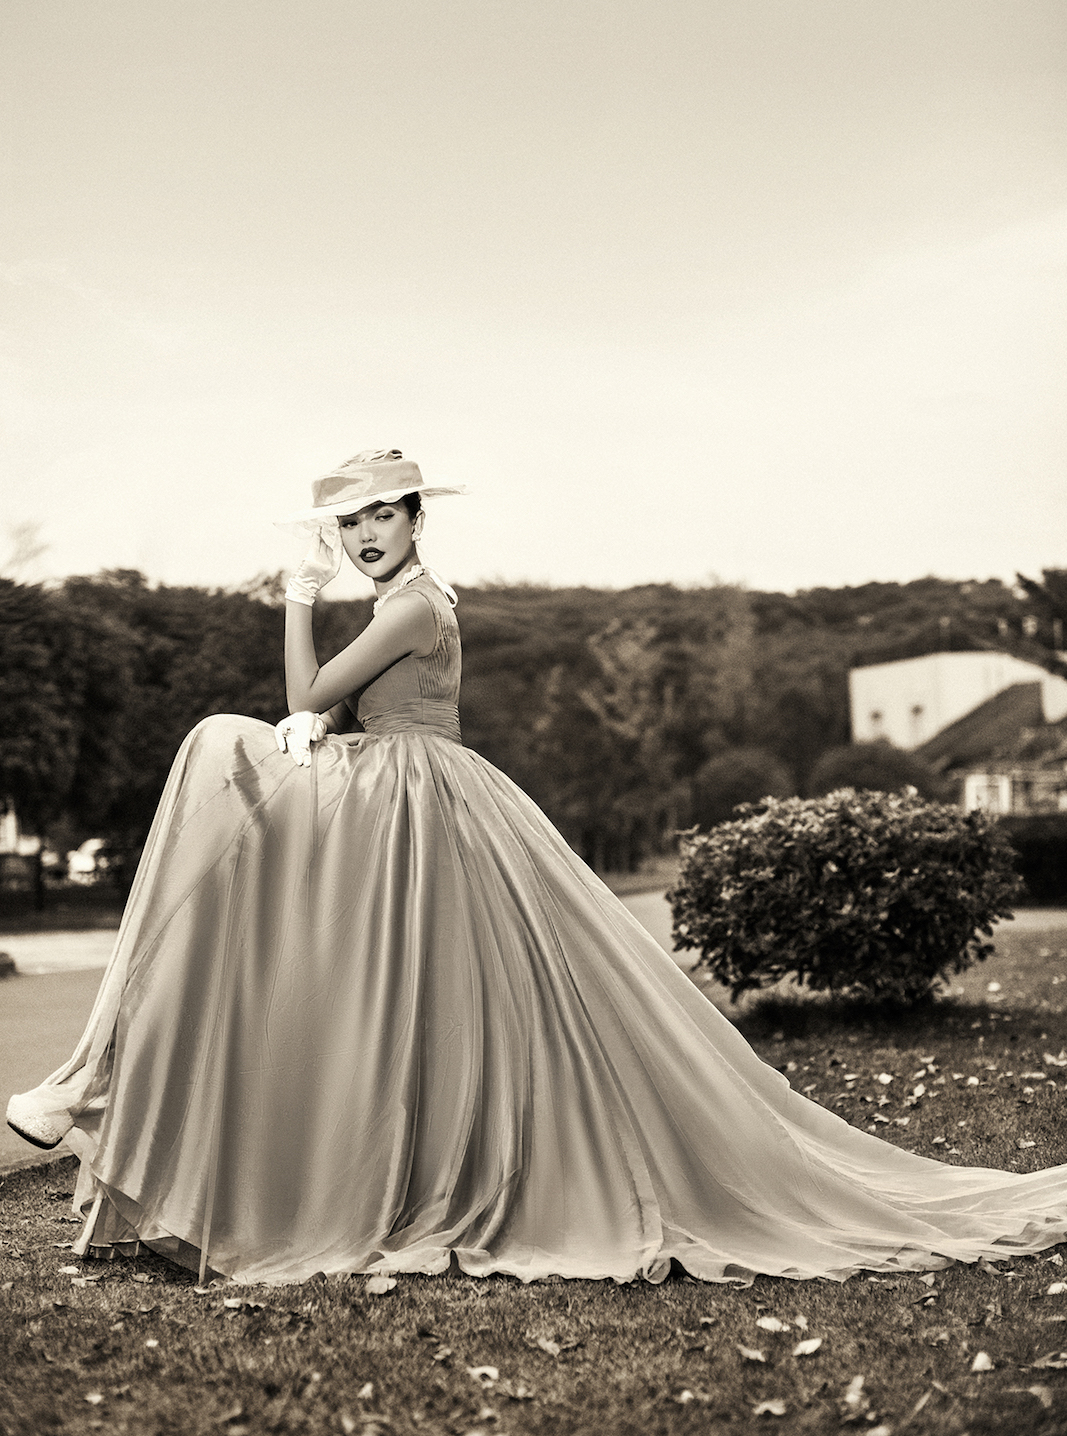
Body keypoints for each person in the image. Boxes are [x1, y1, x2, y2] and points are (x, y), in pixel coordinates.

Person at [7, 448, 1067, 1288]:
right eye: (348, 522)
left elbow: (303, 696)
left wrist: (296, 596)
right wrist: (312, 713)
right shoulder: (405, 604)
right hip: (396, 791)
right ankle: (105, 1085)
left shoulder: (412, 605)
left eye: (381, 515)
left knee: (225, 758)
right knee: (310, 924)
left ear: (416, 520)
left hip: (416, 798)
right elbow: (331, 714)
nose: (365, 535)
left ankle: (96, 1083)